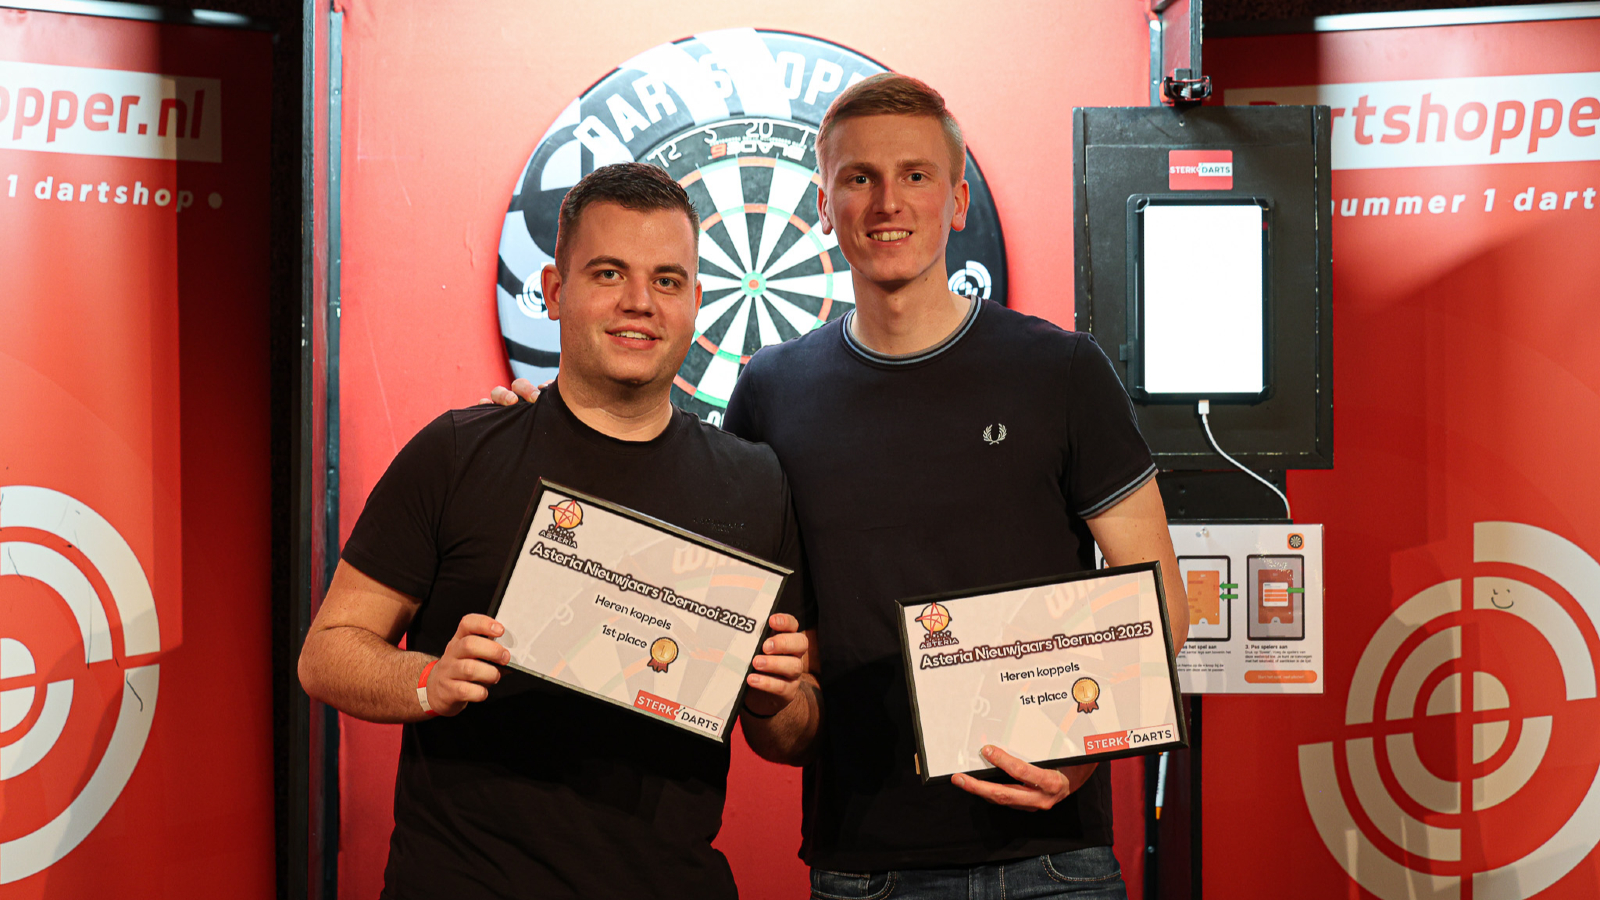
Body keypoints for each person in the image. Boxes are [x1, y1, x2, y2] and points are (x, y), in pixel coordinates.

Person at [494, 75, 1188, 899]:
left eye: (916, 175)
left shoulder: (1061, 370)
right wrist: (556, 429)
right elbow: (685, 522)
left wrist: (1091, 747)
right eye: (860, 177)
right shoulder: (772, 388)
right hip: (863, 865)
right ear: (824, 205)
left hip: (1050, 861)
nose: (888, 202)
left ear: (958, 201)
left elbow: (1161, 597)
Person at [298, 162, 819, 900]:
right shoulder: (458, 453)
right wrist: (428, 680)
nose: (640, 302)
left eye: (667, 280)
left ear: (696, 302)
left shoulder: (755, 483)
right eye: (608, 273)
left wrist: (778, 699)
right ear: (553, 290)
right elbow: (326, 654)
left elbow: (791, 733)